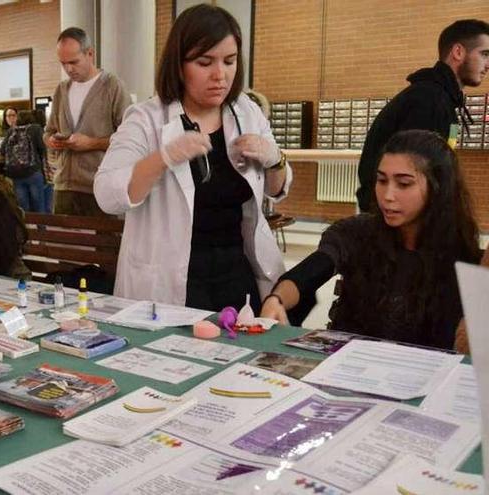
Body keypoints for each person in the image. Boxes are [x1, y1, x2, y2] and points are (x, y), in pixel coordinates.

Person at [94, 4, 292, 310]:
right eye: (205, 62)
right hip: (169, 280)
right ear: (179, 63)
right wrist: (163, 157)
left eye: (230, 61)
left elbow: (276, 189)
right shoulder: (146, 119)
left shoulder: (246, 112)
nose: (220, 75)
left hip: (235, 272)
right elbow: (107, 194)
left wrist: (274, 159)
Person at [261, 130, 481, 350]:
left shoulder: (464, 255)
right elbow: (313, 270)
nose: (387, 195)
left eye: (404, 184)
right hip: (348, 366)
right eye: (382, 180)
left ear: (437, 187)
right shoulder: (358, 232)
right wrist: (277, 299)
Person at [355, 19, 489, 211]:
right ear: (458, 52)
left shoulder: (442, 99)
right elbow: (411, 172)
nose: (488, 64)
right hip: (393, 218)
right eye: (484, 54)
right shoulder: (429, 100)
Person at [45, 27, 131, 217]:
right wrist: (52, 140)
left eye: (74, 62)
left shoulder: (112, 86)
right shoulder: (61, 90)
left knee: (103, 245)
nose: (68, 69)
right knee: (64, 245)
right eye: (63, 63)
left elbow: (130, 139)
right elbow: (48, 131)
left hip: (100, 187)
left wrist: (91, 143)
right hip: (64, 187)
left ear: (90, 53)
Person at [1, 110, 47, 212]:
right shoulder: (35, 128)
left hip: (16, 174)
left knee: (23, 209)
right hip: (33, 171)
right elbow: (43, 148)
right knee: (39, 207)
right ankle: (41, 227)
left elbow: (2, 150)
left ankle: (27, 227)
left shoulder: (11, 131)